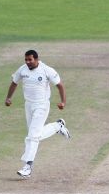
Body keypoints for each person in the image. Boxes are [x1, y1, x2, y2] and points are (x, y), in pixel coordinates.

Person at [5, 49, 71, 178]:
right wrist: (8, 98)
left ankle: (28, 166)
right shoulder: (22, 70)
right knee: (34, 135)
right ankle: (57, 126)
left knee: (32, 137)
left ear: (36, 59)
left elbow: (60, 85)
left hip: (41, 105)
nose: (28, 62)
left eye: (30, 60)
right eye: (26, 60)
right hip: (28, 105)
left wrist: (63, 102)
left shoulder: (47, 70)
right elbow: (14, 83)